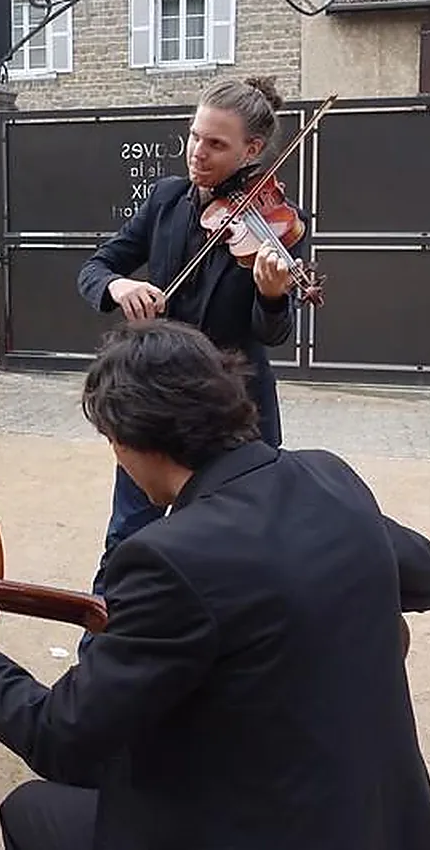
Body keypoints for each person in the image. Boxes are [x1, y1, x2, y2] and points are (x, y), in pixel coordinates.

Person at [0, 318, 430, 850]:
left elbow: (60, 738)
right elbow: (429, 579)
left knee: (32, 811)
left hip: (267, 827)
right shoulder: (328, 476)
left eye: (111, 442)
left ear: (135, 441)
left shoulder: (169, 559)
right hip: (384, 820)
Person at [75, 74, 304, 601]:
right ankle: (107, 642)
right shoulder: (167, 199)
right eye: (194, 136)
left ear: (251, 150)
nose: (198, 152)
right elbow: (97, 265)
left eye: (216, 143)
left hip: (234, 409)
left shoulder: (276, 222)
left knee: (244, 544)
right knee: (130, 535)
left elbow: (273, 334)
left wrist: (271, 294)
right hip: (154, 398)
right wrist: (119, 283)